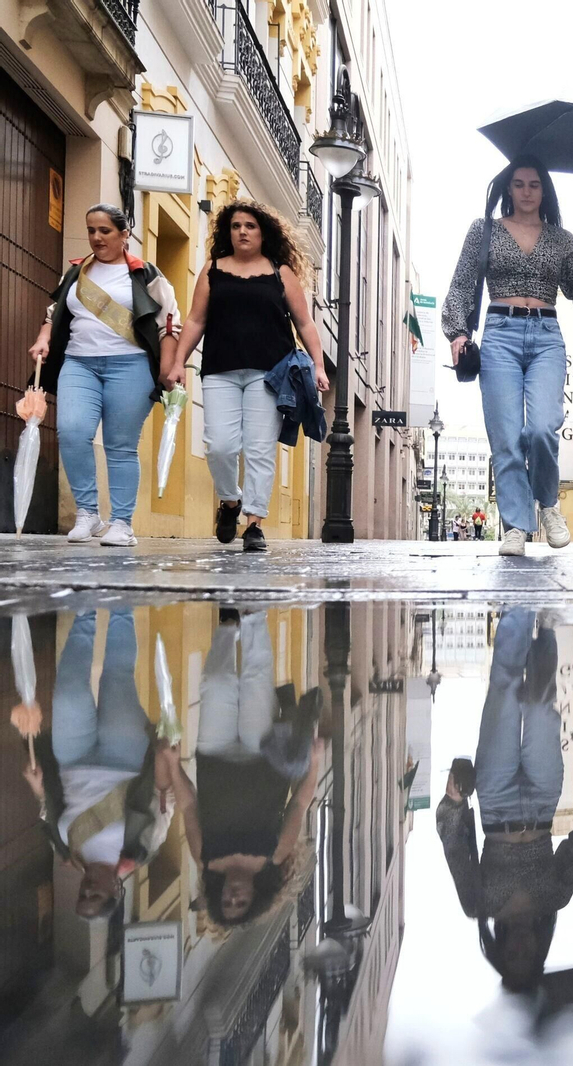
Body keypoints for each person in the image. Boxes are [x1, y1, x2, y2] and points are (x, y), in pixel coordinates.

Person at [443, 156, 573, 557]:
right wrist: (457, 333)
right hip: (500, 333)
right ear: (508, 189)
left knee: (541, 429)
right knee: (506, 437)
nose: (527, 191)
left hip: (547, 336)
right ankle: (517, 525)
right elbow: (462, 283)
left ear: (544, 191)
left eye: (534, 184)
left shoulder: (561, 239)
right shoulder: (484, 231)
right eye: (519, 184)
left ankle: (548, 504)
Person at [436, 613, 573, 992]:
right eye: (530, 957)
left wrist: (456, 798)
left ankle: (517, 608)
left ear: (500, 951)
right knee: (541, 705)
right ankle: (545, 629)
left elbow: (453, 847)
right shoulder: (556, 898)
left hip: (495, 803)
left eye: (512, 956)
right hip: (543, 803)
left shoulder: (478, 905)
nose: (522, 949)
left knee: (505, 692)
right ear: (541, 952)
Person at [173, 200, 329, 555]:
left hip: (270, 375)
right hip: (220, 371)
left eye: (250, 226)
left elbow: (304, 323)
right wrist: (178, 361)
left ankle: (254, 524)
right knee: (221, 446)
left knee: (259, 450)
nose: (242, 231)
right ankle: (230, 503)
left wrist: (318, 365)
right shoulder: (213, 269)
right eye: (236, 226)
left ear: (263, 233)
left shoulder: (280, 272)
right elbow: (196, 320)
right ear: (228, 232)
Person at [29, 205, 182, 547]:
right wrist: (43, 338)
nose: (96, 238)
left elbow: (169, 324)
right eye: (91, 231)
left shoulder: (147, 275)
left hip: (130, 366)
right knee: (71, 432)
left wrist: (169, 367)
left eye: (105, 231)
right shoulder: (76, 272)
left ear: (124, 234)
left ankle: (122, 523)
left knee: (120, 446)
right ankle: (88, 513)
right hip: (79, 363)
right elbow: (55, 313)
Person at [21, 609, 177, 918]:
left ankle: (85, 610)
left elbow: (49, 813)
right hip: (126, 758)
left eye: (83, 894)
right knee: (116, 675)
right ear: (115, 891)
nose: (88, 889)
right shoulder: (142, 848)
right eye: (96, 895)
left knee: (67, 693)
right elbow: (164, 800)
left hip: (72, 760)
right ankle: (120, 603)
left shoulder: (68, 853)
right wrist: (163, 758)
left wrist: (39, 789)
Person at [171, 609, 322, 927]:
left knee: (217, 682)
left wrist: (173, 766)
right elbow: (300, 802)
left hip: (214, 756)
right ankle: (253, 616)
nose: (234, 896)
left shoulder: (205, 858)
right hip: (263, 757)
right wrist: (315, 760)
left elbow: (187, 804)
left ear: (217, 895)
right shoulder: (275, 854)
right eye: (241, 903)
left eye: (227, 902)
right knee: (255, 682)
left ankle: (227, 628)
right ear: (256, 896)